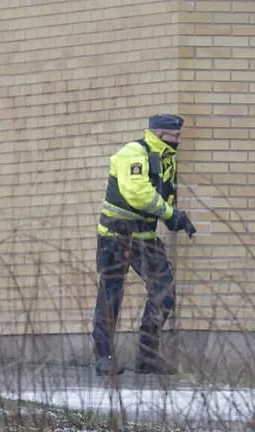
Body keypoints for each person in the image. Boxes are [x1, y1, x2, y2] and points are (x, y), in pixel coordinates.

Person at [92, 114, 196, 376]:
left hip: (145, 238)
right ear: (161, 134)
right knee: (111, 296)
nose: (178, 140)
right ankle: (104, 358)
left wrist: (176, 217)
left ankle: (147, 357)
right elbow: (137, 193)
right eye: (175, 136)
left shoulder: (166, 160)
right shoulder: (133, 152)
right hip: (116, 236)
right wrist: (171, 214)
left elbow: (163, 194)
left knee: (164, 291)